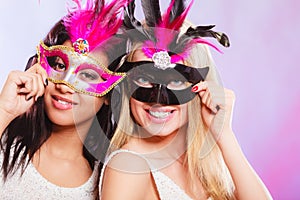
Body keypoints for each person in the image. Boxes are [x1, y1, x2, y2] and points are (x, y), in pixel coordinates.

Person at [100, 0, 273, 199]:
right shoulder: (128, 166)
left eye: (175, 80)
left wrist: (224, 135)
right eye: (143, 79)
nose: (159, 100)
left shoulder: (207, 163)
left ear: (200, 87)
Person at [0, 0, 128, 199]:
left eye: (88, 76)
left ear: (109, 95)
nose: (64, 85)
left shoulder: (108, 184)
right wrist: (4, 112)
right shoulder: (5, 142)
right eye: (59, 65)